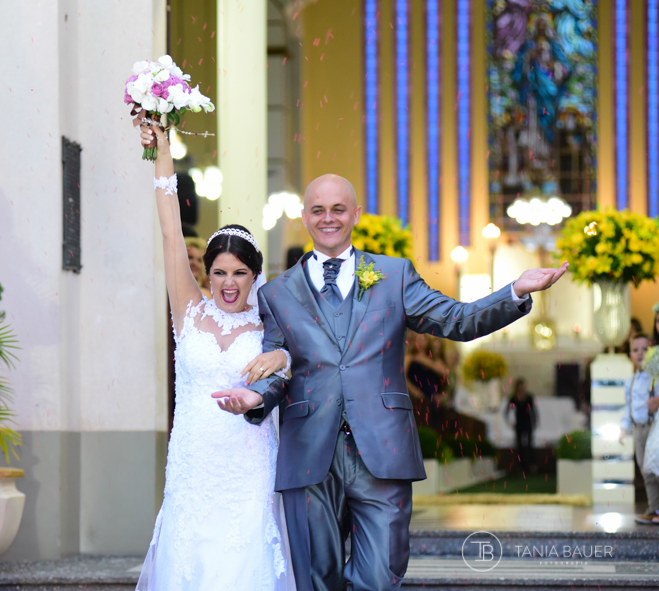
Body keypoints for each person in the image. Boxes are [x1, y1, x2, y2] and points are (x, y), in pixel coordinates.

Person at [212, 172, 568, 591]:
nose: (329, 218)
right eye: (319, 210)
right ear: (305, 217)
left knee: (381, 576)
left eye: (339, 209)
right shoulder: (277, 292)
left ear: (356, 215)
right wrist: (254, 397)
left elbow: (457, 320)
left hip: (382, 449)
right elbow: (277, 365)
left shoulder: (394, 275)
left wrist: (512, 292)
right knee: (315, 580)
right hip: (308, 454)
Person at [133, 110, 295, 590]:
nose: (228, 283)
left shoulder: (271, 320)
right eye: (219, 272)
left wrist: (282, 357)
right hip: (195, 460)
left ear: (255, 275)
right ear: (206, 272)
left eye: (239, 273)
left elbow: (304, 356)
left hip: (248, 462)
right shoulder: (189, 310)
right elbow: (168, 231)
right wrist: (161, 149)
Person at [619, 333, 659, 525]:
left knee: (655, 467)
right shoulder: (630, 381)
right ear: (630, 355)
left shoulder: (655, 377)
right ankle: (653, 508)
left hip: (653, 428)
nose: (640, 353)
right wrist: (624, 428)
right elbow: (628, 407)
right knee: (644, 470)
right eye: (636, 350)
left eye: (645, 349)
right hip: (638, 429)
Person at [505, 378, 538, 473]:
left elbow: (533, 410)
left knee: (530, 443)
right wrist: (509, 421)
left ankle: (532, 464)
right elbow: (507, 411)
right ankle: (521, 465)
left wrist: (535, 421)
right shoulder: (514, 398)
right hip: (519, 422)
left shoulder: (529, 397)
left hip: (527, 422)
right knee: (519, 444)